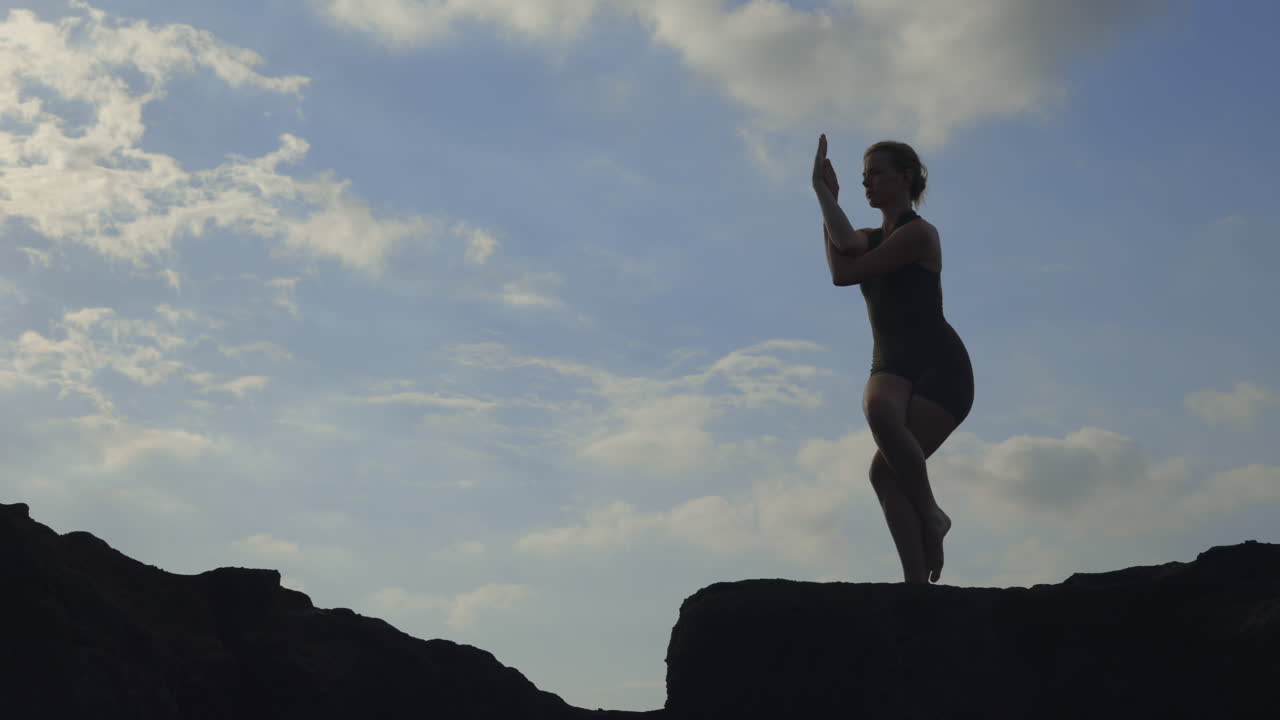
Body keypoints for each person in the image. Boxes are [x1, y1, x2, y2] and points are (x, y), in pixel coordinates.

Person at [812, 134, 974, 584]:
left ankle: (931, 516)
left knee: (887, 467)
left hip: (940, 366)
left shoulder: (919, 234)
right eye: (863, 178)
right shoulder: (865, 237)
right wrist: (825, 197)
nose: (867, 183)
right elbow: (842, 269)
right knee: (881, 445)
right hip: (892, 362)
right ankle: (915, 584)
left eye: (876, 173)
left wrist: (827, 203)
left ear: (906, 178)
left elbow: (850, 264)